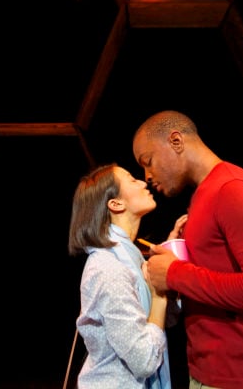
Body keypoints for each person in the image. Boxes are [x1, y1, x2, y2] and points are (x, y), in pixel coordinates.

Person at [132, 110, 243, 389]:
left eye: (149, 162)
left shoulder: (232, 189)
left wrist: (175, 274)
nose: (147, 176)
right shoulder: (203, 195)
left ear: (176, 141)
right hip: (208, 374)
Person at [68, 162, 172, 389]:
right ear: (115, 204)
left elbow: (161, 321)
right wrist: (158, 297)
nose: (143, 182)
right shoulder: (109, 267)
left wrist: (171, 259)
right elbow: (144, 360)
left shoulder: (130, 256)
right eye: (132, 180)